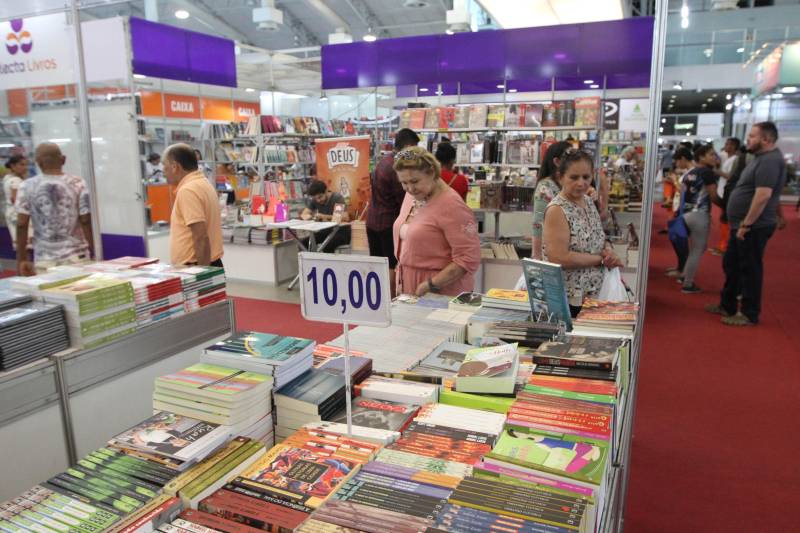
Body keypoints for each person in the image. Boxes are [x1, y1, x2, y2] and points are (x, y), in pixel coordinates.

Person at [707, 122, 787, 326]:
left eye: (752, 136)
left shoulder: (769, 160)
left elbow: (763, 195)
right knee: (732, 264)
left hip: (753, 226)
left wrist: (746, 225)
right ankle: (728, 304)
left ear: (766, 139)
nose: (748, 139)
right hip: (743, 224)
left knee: (749, 269)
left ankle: (749, 313)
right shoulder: (760, 159)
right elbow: (771, 195)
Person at [542, 150, 623, 317]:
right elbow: (559, 257)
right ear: (561, 177)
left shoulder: (587, 201)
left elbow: (598, 236)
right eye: (574, 177)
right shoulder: (557, 209)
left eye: (586, 177)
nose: (581, 183)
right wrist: (600, 260)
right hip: (568, 299)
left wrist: (608, 250)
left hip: (593, 293)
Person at [392, 147, 480, 297]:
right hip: (409, 289)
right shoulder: (412, 196)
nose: (410, 188)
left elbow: (468, 258)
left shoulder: (452, 205)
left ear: (432, 172)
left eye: (415, 181)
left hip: (442, 294)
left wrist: (431, 284)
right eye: (404, 182)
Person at [15, 143, 93, 275]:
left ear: (38, 163)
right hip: (77, 257)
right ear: (63, 159)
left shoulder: (26, 186)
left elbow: (21, 224)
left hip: (44, 260)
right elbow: (85, 220)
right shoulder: (78, 183)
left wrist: (21, 259)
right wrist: (93, 249)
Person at [367, 128, 420, 292]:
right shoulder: (398, 167)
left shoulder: (384, 161)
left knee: (378, 264)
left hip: (373, 220)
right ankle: (390, 302)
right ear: (408, 146)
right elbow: (403, 200)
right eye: (415, 148)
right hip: (389, 222)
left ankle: (379, 300)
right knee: (390, 264)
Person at [162, 143, 223, 267]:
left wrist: (202, 274)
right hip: (210, 262)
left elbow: (200, 236)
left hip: (195, 265)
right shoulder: (203, 183)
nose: (163, 171)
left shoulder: (188, 190)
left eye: (164, 166)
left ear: (175, 167)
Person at [679, 144, 724, 294]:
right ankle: (688, 284)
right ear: (701, 157)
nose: (714, 157)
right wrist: (728, 206)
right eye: (711, 154)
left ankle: (684, 275)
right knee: (697, 249)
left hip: (686, 214)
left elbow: (682, 194)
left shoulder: (689, 173)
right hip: (699, 214)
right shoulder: (707, 173)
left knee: (694, 248)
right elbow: (714, 196)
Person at [531, 141, 572, 260]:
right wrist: (537, 258)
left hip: (567, 252)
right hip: (550, 254)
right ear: (557, 162)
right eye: (569, 157)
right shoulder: (546, 187)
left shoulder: (568, 184)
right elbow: (538, 224)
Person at [708, 137, 741, 256]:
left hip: (728, 192)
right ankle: (722, 245)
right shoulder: (728, 158)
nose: (725, 146)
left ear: (733, 147)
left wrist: (717, 172)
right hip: (723, 191)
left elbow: (731, 177)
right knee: (723, 220)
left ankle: (725, 247)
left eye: (728, 144)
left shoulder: (735, 159)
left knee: (725, 220)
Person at [665, 147, 694, 278]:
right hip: (680, 208)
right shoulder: (688, 172)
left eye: (677, 161)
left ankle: (683, 269)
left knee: (680, 239)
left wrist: (674, 181)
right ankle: (680, 267)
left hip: (685, 210)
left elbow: (685, 191)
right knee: (676, 237)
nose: (677, 164)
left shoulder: (692, 173)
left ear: (682, 159)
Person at [300, 179, 351, 252]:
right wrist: (311, 217)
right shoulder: (315, 200)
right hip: (326, 231)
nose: (318, 200)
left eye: (320, 197)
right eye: (316, 198)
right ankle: (311, 262)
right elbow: (304, 214)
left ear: (326, 191)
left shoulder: (336, 198)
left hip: (341, 232)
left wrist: (324, 216)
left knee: (327, 245)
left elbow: (345, 217)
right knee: (305, 243)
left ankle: (329, 263)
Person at [3, 154, 29, 251]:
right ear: (13, 166)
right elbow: (16, 200)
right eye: (22, 165)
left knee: (20, 244)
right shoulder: (16, 181)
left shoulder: (8, 178)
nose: (25, 167)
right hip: (18, 215)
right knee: (24, 244)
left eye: (26, 165)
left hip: (11, 212)